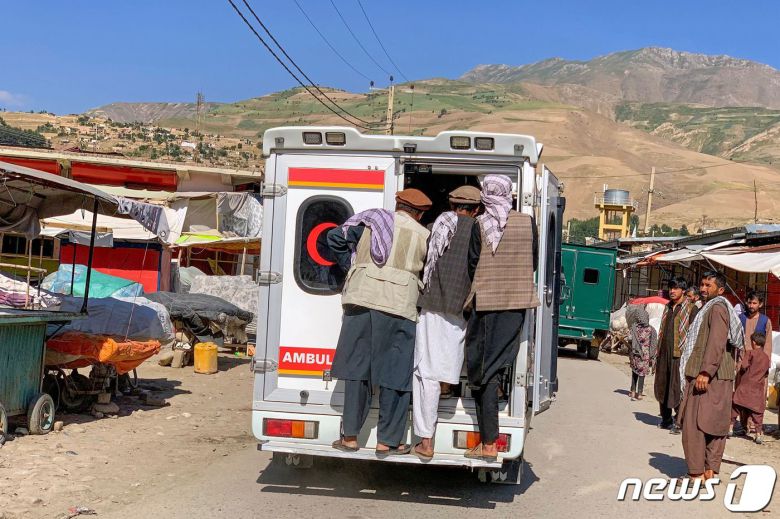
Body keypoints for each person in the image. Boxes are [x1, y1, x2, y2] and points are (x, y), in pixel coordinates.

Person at [327, 188, 432, 455]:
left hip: (361, 299)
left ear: (397, 205)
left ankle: (350, 437)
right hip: (399, 305)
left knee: (356, 370)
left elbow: (333, 238)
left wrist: (351, 266)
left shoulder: (371, 223)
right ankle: (388, 440)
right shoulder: (424, 235)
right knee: (395, 373)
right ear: (419, 213)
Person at [463, 175, 539, 463]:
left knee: (482, 370)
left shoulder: (480, 224)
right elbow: (533, 258)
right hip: (517, 303)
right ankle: (488, 441)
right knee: (497, 365)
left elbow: (472, 264)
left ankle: (489, 443)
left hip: (487, 305)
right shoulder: (526, 221)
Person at [412, 185, 482, 460]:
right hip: (460, 309)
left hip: (431, 306)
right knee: (448, 364)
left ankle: (426, 440)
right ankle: (446, 388)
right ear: (477, 209)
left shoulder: (436, 226)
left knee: (425, 372)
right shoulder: (482, 232)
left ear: (452, 205)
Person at [678, 271, 744, 481]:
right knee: (715, 424)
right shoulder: (716, 307)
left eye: (709, 285)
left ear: (720, 290)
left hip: (707, 375)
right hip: (720, 375)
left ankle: (696, 474)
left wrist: (705, 371)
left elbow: (716, 340)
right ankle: (710, 471)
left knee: (694, 425)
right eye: (702, 285)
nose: (704, 289)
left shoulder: (716, 308)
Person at [654, 277, 698, 434]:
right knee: (663, 385)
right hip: (664, 353)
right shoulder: (668, 307)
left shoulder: (692, 309)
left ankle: (678, 422)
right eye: (670, 288)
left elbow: (694, 334)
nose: (672, 291)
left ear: (683, 291)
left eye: (676, 288)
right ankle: (665, 419)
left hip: (680, 356)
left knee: (678, 388)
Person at [731, 332, 771, 444]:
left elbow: (743, 366)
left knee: (735, 407)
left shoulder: (750, 353)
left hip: (745, 387)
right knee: (757, 413)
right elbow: (766, 373)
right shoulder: (766, 358)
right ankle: (758, 434)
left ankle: (730, 428)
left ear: (754, 342)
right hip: (757, 390)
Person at [626, 305, 658, 401]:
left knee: (634, 371)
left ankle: (632, 391)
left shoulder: (634, 328)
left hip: (635, 354)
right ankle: (639, 393)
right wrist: (652, 356)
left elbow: (630, 339)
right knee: (642, 374)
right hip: (645, 355)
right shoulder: (652, 329)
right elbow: (653, 344)